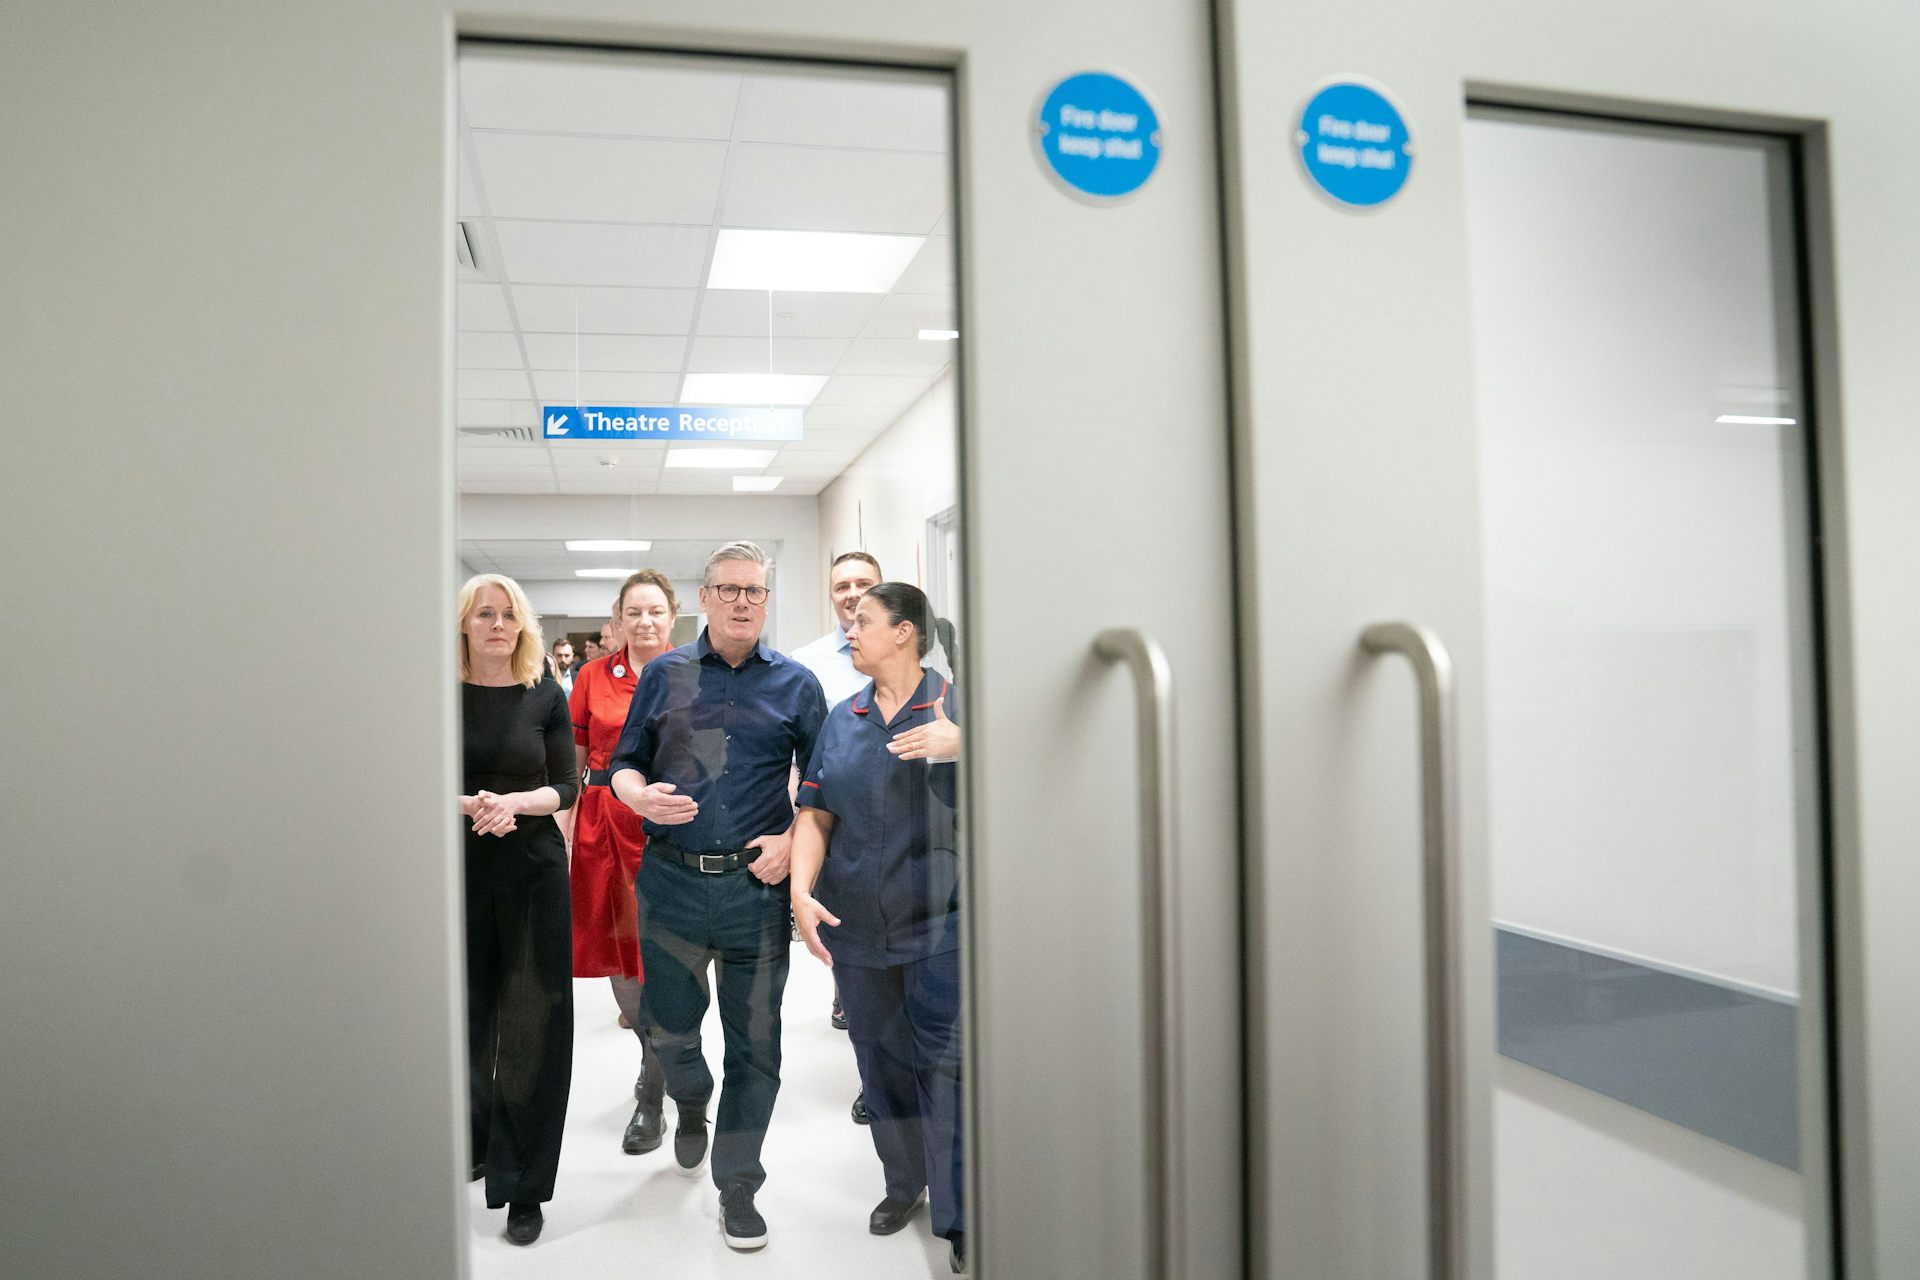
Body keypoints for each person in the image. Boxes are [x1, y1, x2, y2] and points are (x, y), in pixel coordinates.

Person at [609, 541, 827, 1251]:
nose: (741, 602)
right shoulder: (665, 675)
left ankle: (739, 1185)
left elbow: (826, 791)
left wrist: (795, 842)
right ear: (703, 598)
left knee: (757, 1048)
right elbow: (623, 766)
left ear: (767, 601)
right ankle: (690, 1102)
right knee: (669, 1032)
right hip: (670, 883)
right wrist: (638, 796)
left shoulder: (796, 685)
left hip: (753, 892)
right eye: (728, 589)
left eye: (754, 592)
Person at [791, 582, 966, 1273]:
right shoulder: (845, 716)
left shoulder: (959, 707)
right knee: (881, 1066)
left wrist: (970, 744)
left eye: (863, 620)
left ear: (905, 632)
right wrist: (801, 889)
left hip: (941, 926)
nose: (850, 629)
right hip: (858, 927)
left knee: (946, 1070)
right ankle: (904, 1184)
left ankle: (958, 1214)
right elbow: (816, 812)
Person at [457, 573, 580, 1247]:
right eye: (485, 614)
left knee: (533, 1022)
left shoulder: (545, 695)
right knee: (470, 1015)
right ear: (465, 625)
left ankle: (526, 1188)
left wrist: (513, 804)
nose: (498, 624)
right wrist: (472, 805)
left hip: (532, 870)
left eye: (508, 615)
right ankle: (477, 1142)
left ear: (523, 626)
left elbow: (565, 784)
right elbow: (412, 775)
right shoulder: (439, 696)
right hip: (460, 868)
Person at [568, 571, 678, 1155]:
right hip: (604, 827)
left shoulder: (692, 673)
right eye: (634, 611)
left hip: (671, 827)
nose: (645, 622)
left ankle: (662, 1079)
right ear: (618, 619)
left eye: (655, 611)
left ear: (673, 616)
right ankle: (651, 1080)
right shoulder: (591, 676)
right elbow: (575, 764)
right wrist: (567, 833)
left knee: (667, 960)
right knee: (621, 956)